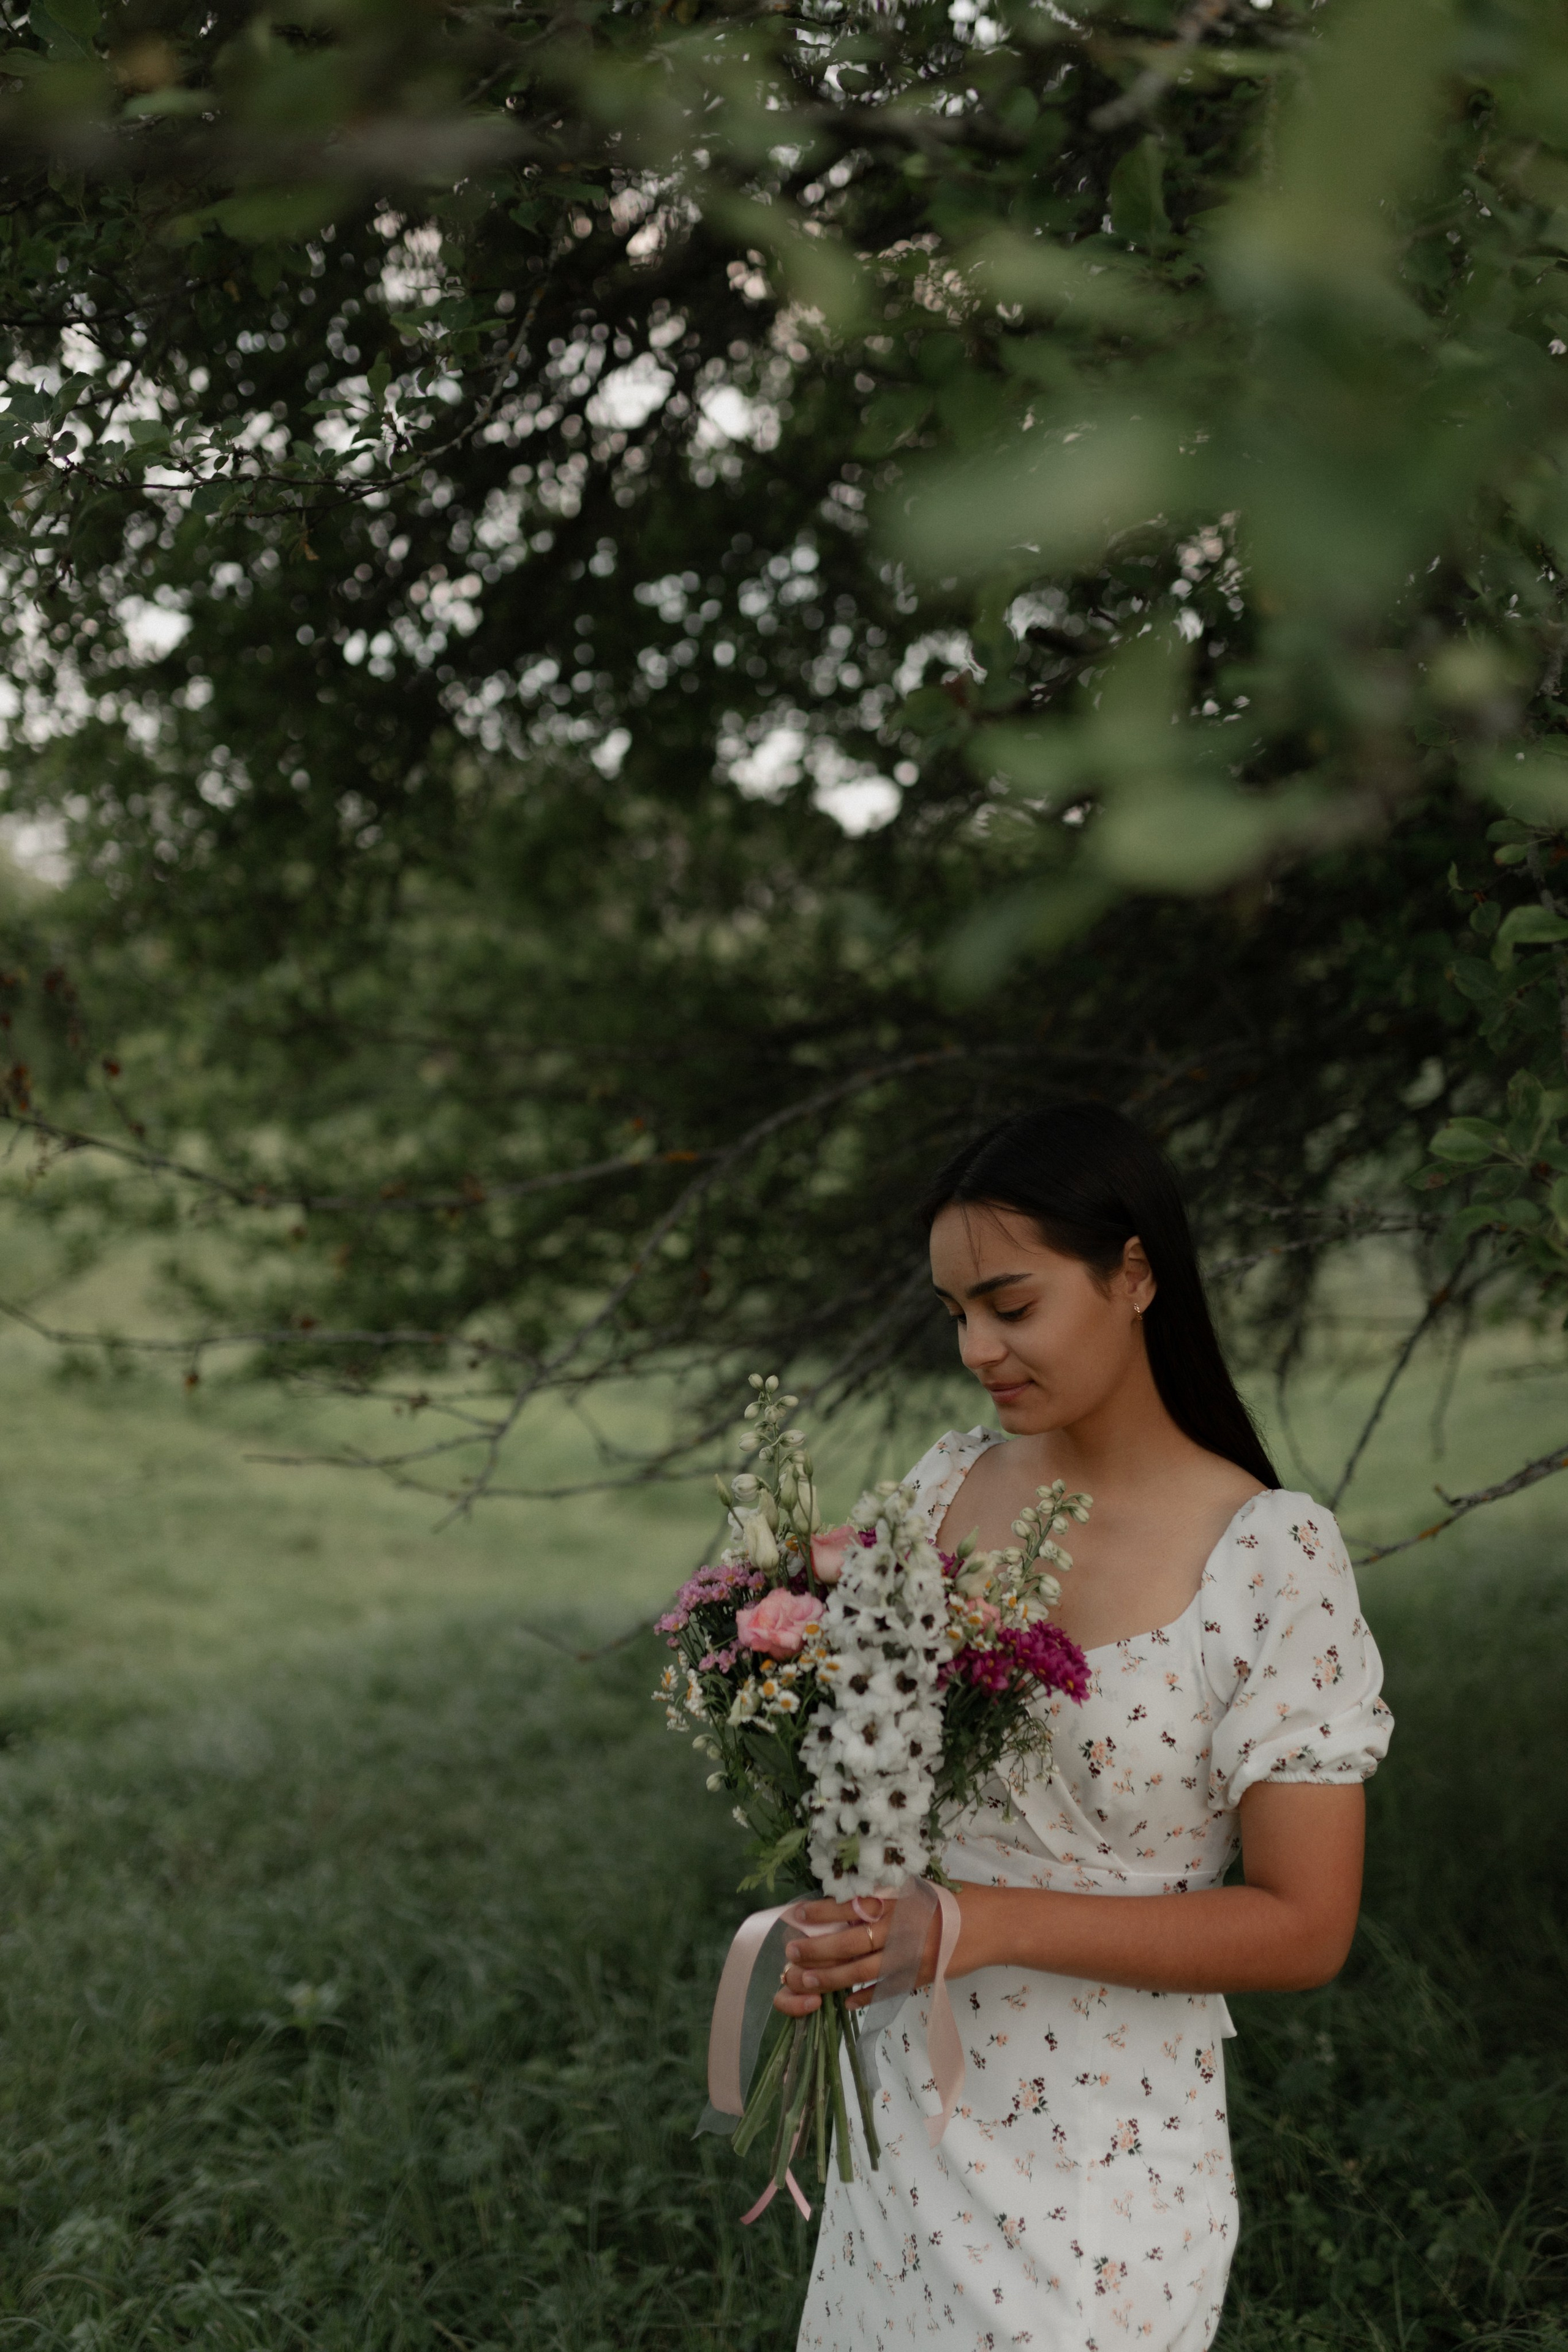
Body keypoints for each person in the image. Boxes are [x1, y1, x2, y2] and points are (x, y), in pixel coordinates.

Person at [778, 1101, 1393, 2352]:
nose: (976, 1349)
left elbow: (1305, 1926)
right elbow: (885, 1788)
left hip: (1105, 2167)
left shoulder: (1269, 1556)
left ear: (1134, 1273)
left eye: (1010, 1305)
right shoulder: (942, 1490)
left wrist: (975, 1925)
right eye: (955, 1313)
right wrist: (853, 1916)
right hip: (903, 2113)